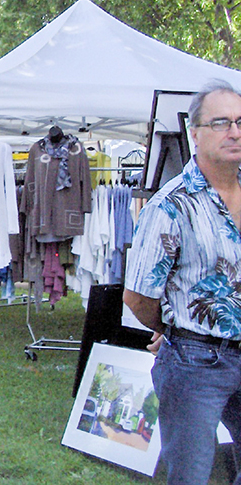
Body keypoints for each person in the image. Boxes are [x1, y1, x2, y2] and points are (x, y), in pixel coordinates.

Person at [124, 80, 241, 485]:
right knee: (191, 474)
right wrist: (174, 329)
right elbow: (138, 296)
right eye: (221, 122)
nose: (234, 132)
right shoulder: (170, 205)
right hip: (196, 365)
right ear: (196, 133)